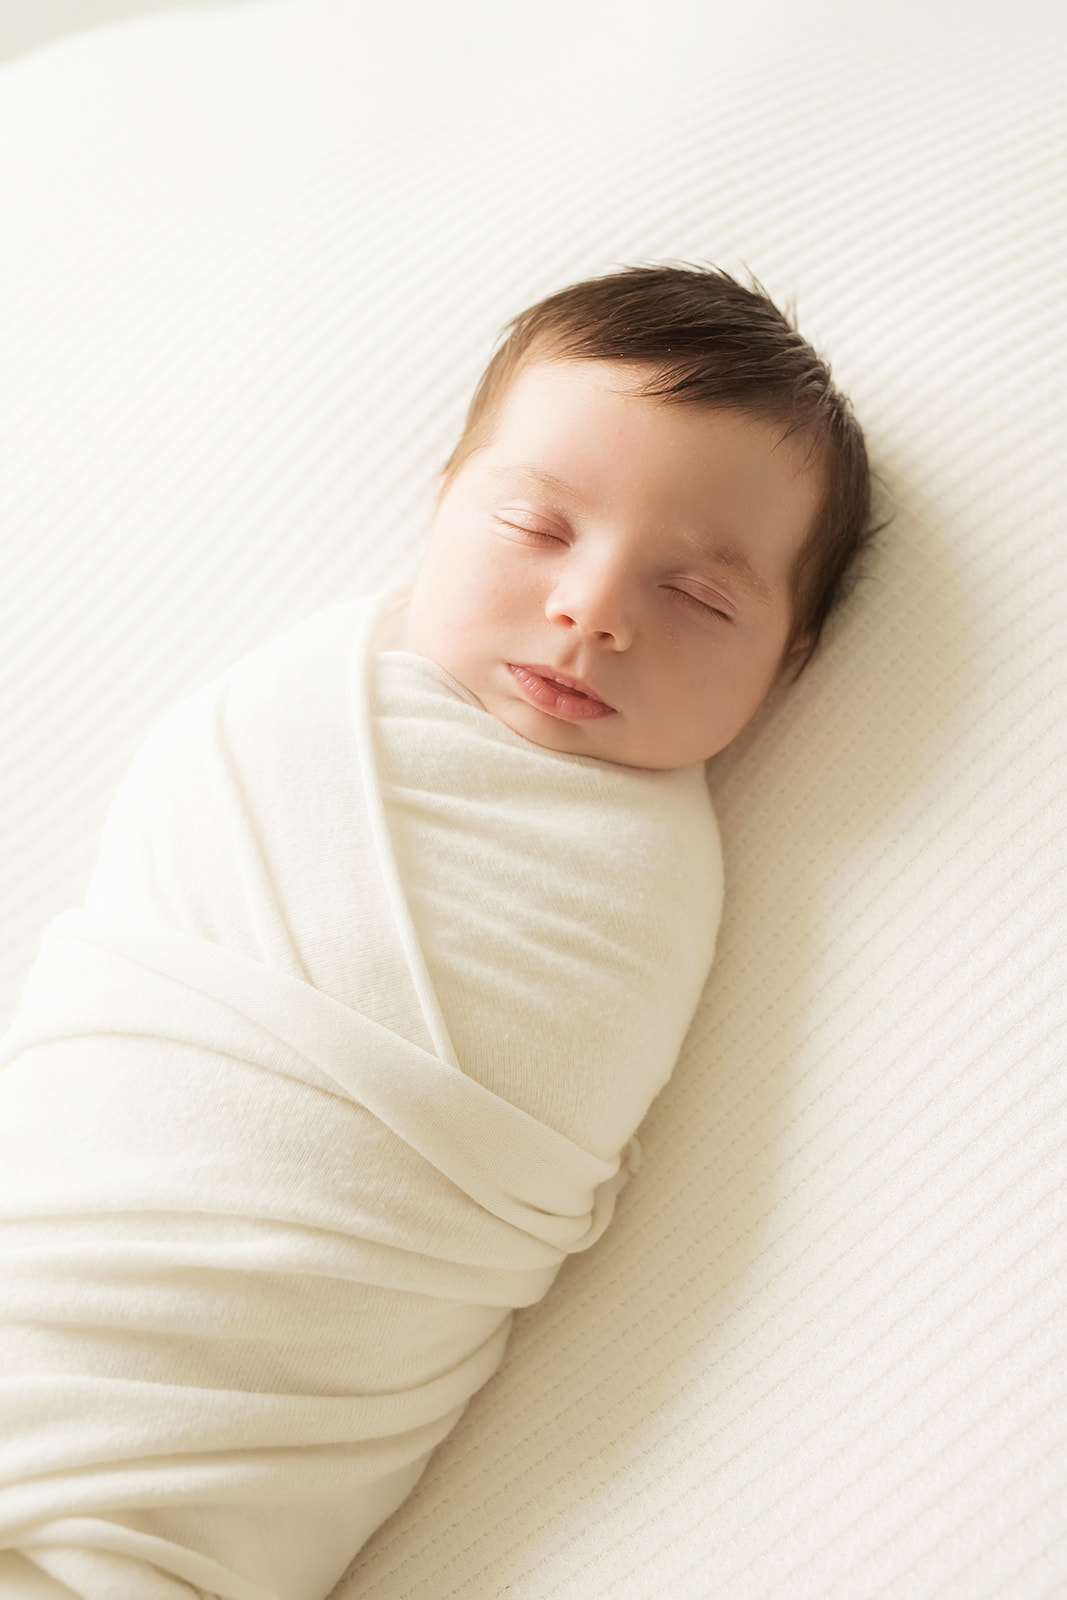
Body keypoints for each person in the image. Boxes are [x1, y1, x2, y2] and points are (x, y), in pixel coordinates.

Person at [0, 264, 872, 1600]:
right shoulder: (291, 707)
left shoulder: (638, 895)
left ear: (792, 663)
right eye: (535, 525)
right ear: (445, 501)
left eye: (698, 596)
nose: (593, 609)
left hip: (203, 1476)